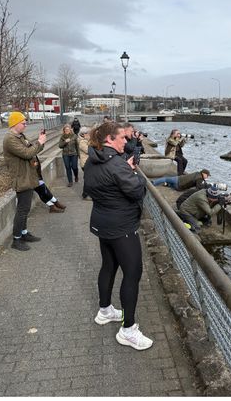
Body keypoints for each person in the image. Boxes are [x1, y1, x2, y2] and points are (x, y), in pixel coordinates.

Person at [83, 121, 152, 351]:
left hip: (102, 223)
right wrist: (134, 173)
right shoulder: (117, 164)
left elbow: (96, 186)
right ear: (109, 139)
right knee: (132, 273)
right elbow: (137, 191)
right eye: (122, 137)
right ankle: (128, 330)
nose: (126, 141)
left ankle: (105, 311)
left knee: (109, 266)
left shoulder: (92, 161)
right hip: (122, 227)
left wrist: (124, 169)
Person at [3, 111, 48, 251]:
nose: (25, 125)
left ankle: (24, 233)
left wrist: (40, 142)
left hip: (28, 176)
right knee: (22, 210)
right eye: (23, 123)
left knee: (25, 208)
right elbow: (27, 153)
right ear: (15, 123)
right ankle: (16, 240)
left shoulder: (20, 136)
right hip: (21, 178)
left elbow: (32, 149)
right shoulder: (10, 139)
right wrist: (39, 142)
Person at [78, 127, 91, 199]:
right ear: (83, 134)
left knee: (89, 179)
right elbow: (88, 150)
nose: (89, 135)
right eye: (88, 133)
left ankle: (87, 194)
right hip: (85, 163)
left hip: (88, 163)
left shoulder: (86, 141)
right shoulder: (82, 142)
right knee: (87, 179)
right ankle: (85, 195)